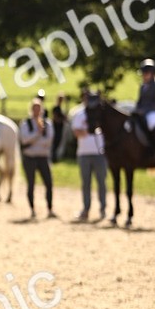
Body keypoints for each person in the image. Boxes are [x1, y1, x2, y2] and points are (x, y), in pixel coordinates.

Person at [71, 89, 106, 221]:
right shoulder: (79, 114)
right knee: (86, 183)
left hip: (99, 153)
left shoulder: (101, 114)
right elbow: (76, 132)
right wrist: (87, 130)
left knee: (101, 182)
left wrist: (85, 130)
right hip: (83, 153)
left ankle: (103, 209)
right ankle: (86, 209)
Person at [20, 97, 55, 219]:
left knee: (49, 183)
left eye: (39, 108)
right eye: (34, 108)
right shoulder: (26, 123)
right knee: (31, 184)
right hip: (30, 158)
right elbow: (24, 139)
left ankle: (50, 208)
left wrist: (33, 139)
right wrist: (38, 134)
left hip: (43, 157)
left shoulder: (48, 123)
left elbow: (48, 141)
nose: (37, 111)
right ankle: (32, 209)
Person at [134, 58, 155, 148]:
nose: (144, 76)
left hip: (152, 112)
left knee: (152, 123)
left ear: (152, 74)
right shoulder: (142, 86)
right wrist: (137, 109)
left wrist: (144, 110)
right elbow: (140, 100)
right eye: (143, 73)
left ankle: (153, 146)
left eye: (146, 73)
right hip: (142, 112)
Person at [51, 93, 67, 162]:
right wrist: (62, 120)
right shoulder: (56, 108)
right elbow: (55, 119)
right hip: (56, 128)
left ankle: (55, 156)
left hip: (60, 128)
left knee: (58, 143)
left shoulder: (61, 109)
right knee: (55, 143)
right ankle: (53, 157)